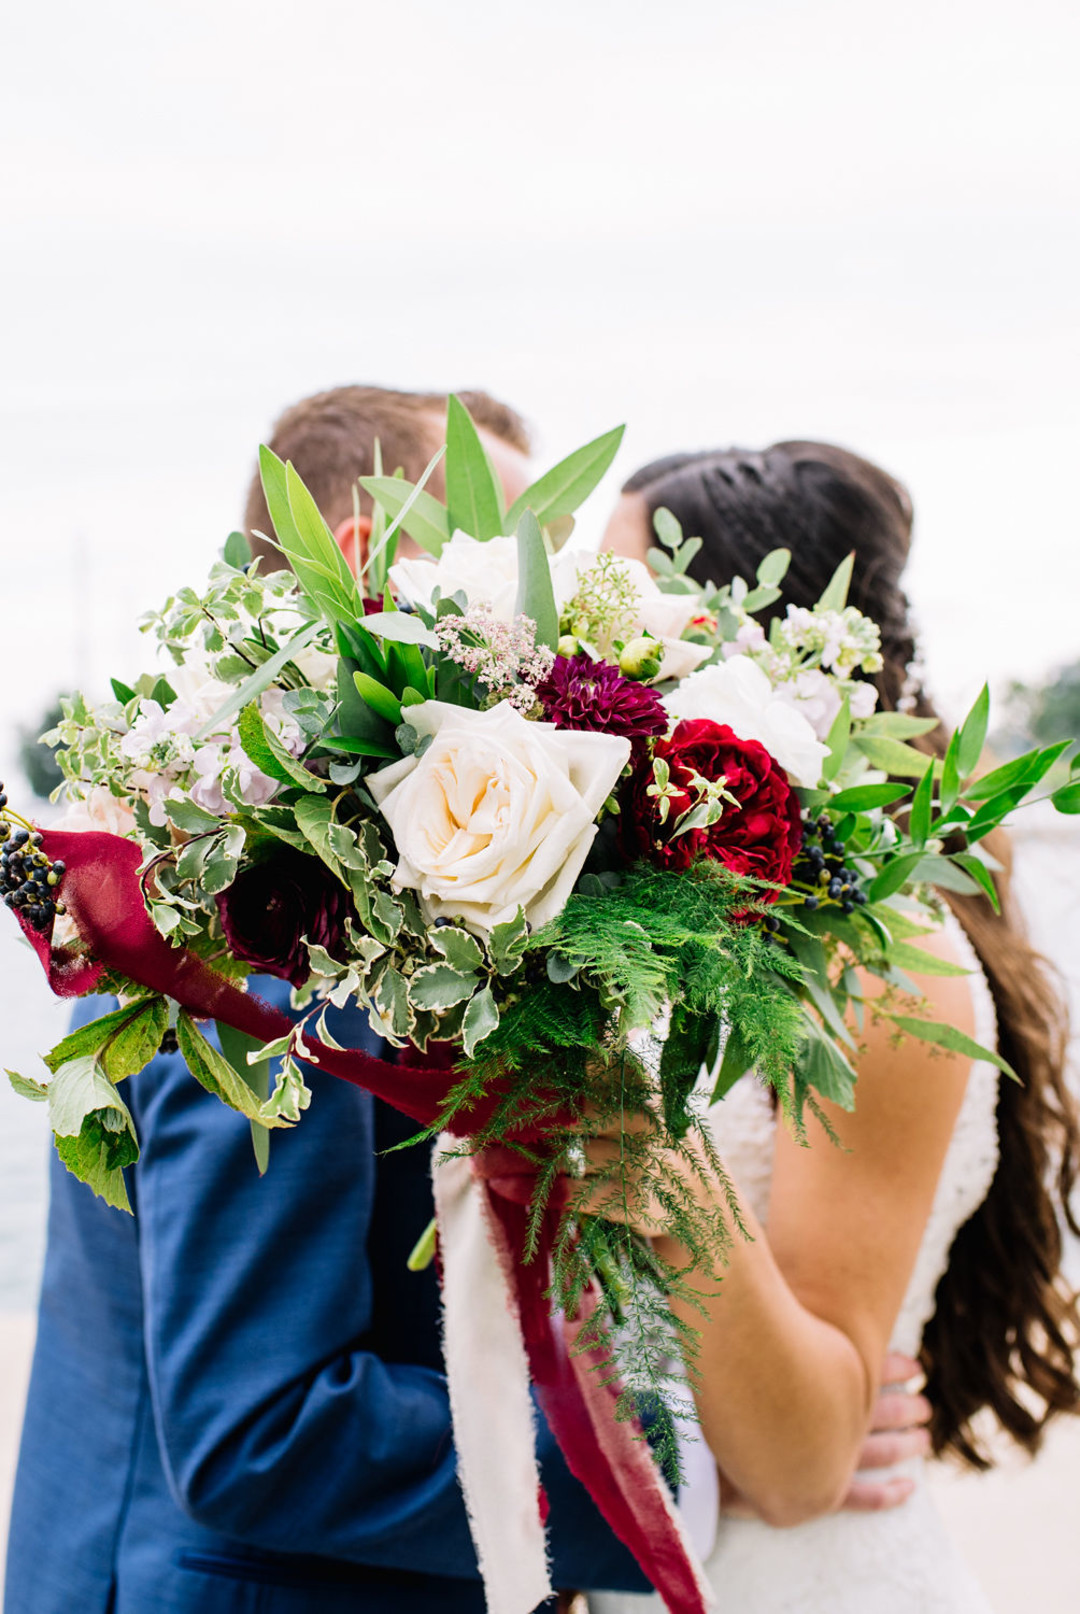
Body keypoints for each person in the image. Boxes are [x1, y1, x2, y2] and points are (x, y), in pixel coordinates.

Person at [5, 385, 649, 1614]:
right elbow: (261, 1423)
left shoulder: (356, 872)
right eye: (514, 568)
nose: (554, 632)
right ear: (365, 556)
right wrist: (631, 1483)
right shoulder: (262, 911)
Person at [590, 441, 1080, 1613]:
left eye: (621, 596)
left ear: (751, 641)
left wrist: (668, 1170)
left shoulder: (888, 963)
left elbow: (806, 1462)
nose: (582, 634)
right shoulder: (660, 917)